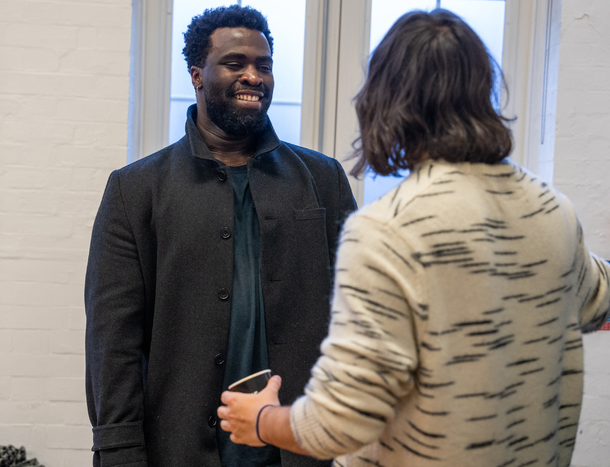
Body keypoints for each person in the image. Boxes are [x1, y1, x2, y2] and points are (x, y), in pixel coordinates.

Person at [218, 9, 610, 467]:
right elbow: (598, 302)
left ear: (386, 101)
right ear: (482, 93)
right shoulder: (551, 210)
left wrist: (261, 419)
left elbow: (337, 425)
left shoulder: (387, 232)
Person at [84, 5, 356, 467]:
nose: (254, 76)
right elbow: (113, 340)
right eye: (235, 64)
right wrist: (118, 449)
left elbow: (356, 314)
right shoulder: (136, 190)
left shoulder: (323, 179)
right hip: (179, 446)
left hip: (301, 446)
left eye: (264, 66)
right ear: (197, 74)